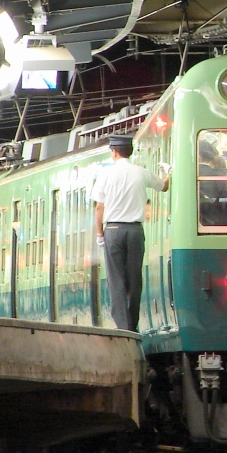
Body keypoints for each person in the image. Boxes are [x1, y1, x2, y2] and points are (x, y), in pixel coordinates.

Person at [92, 134, 170, 332]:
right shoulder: (141, 173)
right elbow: (164, 186)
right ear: (130, 151)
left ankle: (123, 327)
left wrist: (100, 235)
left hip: (113, 231)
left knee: (116, 279)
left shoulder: (105, 174)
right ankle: (132, 325)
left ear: (114, 151)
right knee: (134, 278)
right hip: (135, 230)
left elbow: (99, 207)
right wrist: (169, 173)